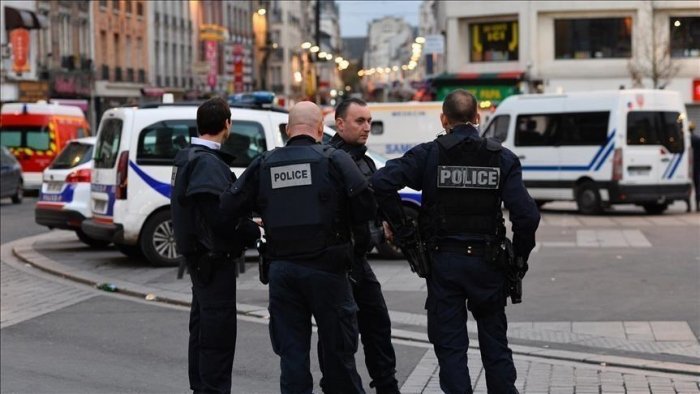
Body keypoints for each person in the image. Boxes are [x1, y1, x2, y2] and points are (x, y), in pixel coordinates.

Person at [371, 90, 540, 393]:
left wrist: (405, 231)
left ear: (444, 119)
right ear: (477, 118)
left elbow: (381, 183)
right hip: (489, 263)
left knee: (451, 349)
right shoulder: (502, 157)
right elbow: (526, 216)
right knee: (495, 346)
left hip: (444, 263)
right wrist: (519, 259)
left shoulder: (428, 154)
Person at [220, 101, 375, 393]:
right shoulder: (335, 159)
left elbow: (227, 206)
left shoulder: (265, 162)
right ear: (320, 129)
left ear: (288, 130)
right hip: (328, 270)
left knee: (292, 357)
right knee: (338, 353)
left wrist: (256, 228)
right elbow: (366, 205)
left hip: (282, 271)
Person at [170, 97, 259, 393]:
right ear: (227, 124)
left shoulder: (190, 156)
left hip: (200, 260)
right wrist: (250, 231)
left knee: (204, 331)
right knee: (217, 337)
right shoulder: (206, 162)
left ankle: (202, 388)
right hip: (213, 260)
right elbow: (219, 215)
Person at [317, 98, 399, 394]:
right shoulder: (329, 160)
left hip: (360, 261)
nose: (367, 127)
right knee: (339, 335)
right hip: (338, 263)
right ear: (339, 124)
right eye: (359, 121)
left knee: (378, 325)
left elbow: (372, 201)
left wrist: (385, 222)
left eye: (369, 121)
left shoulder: (364, 160)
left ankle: (387, 385)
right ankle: (334, 386)